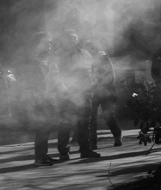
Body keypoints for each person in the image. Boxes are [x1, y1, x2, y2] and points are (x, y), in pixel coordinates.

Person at [55, 29, 99, 160]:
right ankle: (63, 152)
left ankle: (85, 149)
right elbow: (56, 75)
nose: (72, 40)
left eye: (74, 38)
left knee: (85, 123)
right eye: (69, 38)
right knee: (65, 123)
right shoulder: (59, 55)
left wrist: (92, 86)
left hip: (85, 93)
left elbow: (92, 72)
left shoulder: (86, 54)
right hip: (67, 94)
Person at [19, 32, 61, 167]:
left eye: (50, 42)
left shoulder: (47, 59)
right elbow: (28, 80)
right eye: (46, 42)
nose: (49, 45)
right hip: (38, 99)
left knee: (47, 128)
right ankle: (39, 157)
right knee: (42, 127)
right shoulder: (32, 60)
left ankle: (44, 154)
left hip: (49, 98)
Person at [82, 39, 121, 148]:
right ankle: (92, 141)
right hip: (94, 92)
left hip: (106, 92)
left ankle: (117, 135)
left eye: (90, 48)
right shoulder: (88, 59)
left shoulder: (103, 58)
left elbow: (110, 75)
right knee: (92, 117)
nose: (88, 50)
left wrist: (104, 87)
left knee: (108, 115)